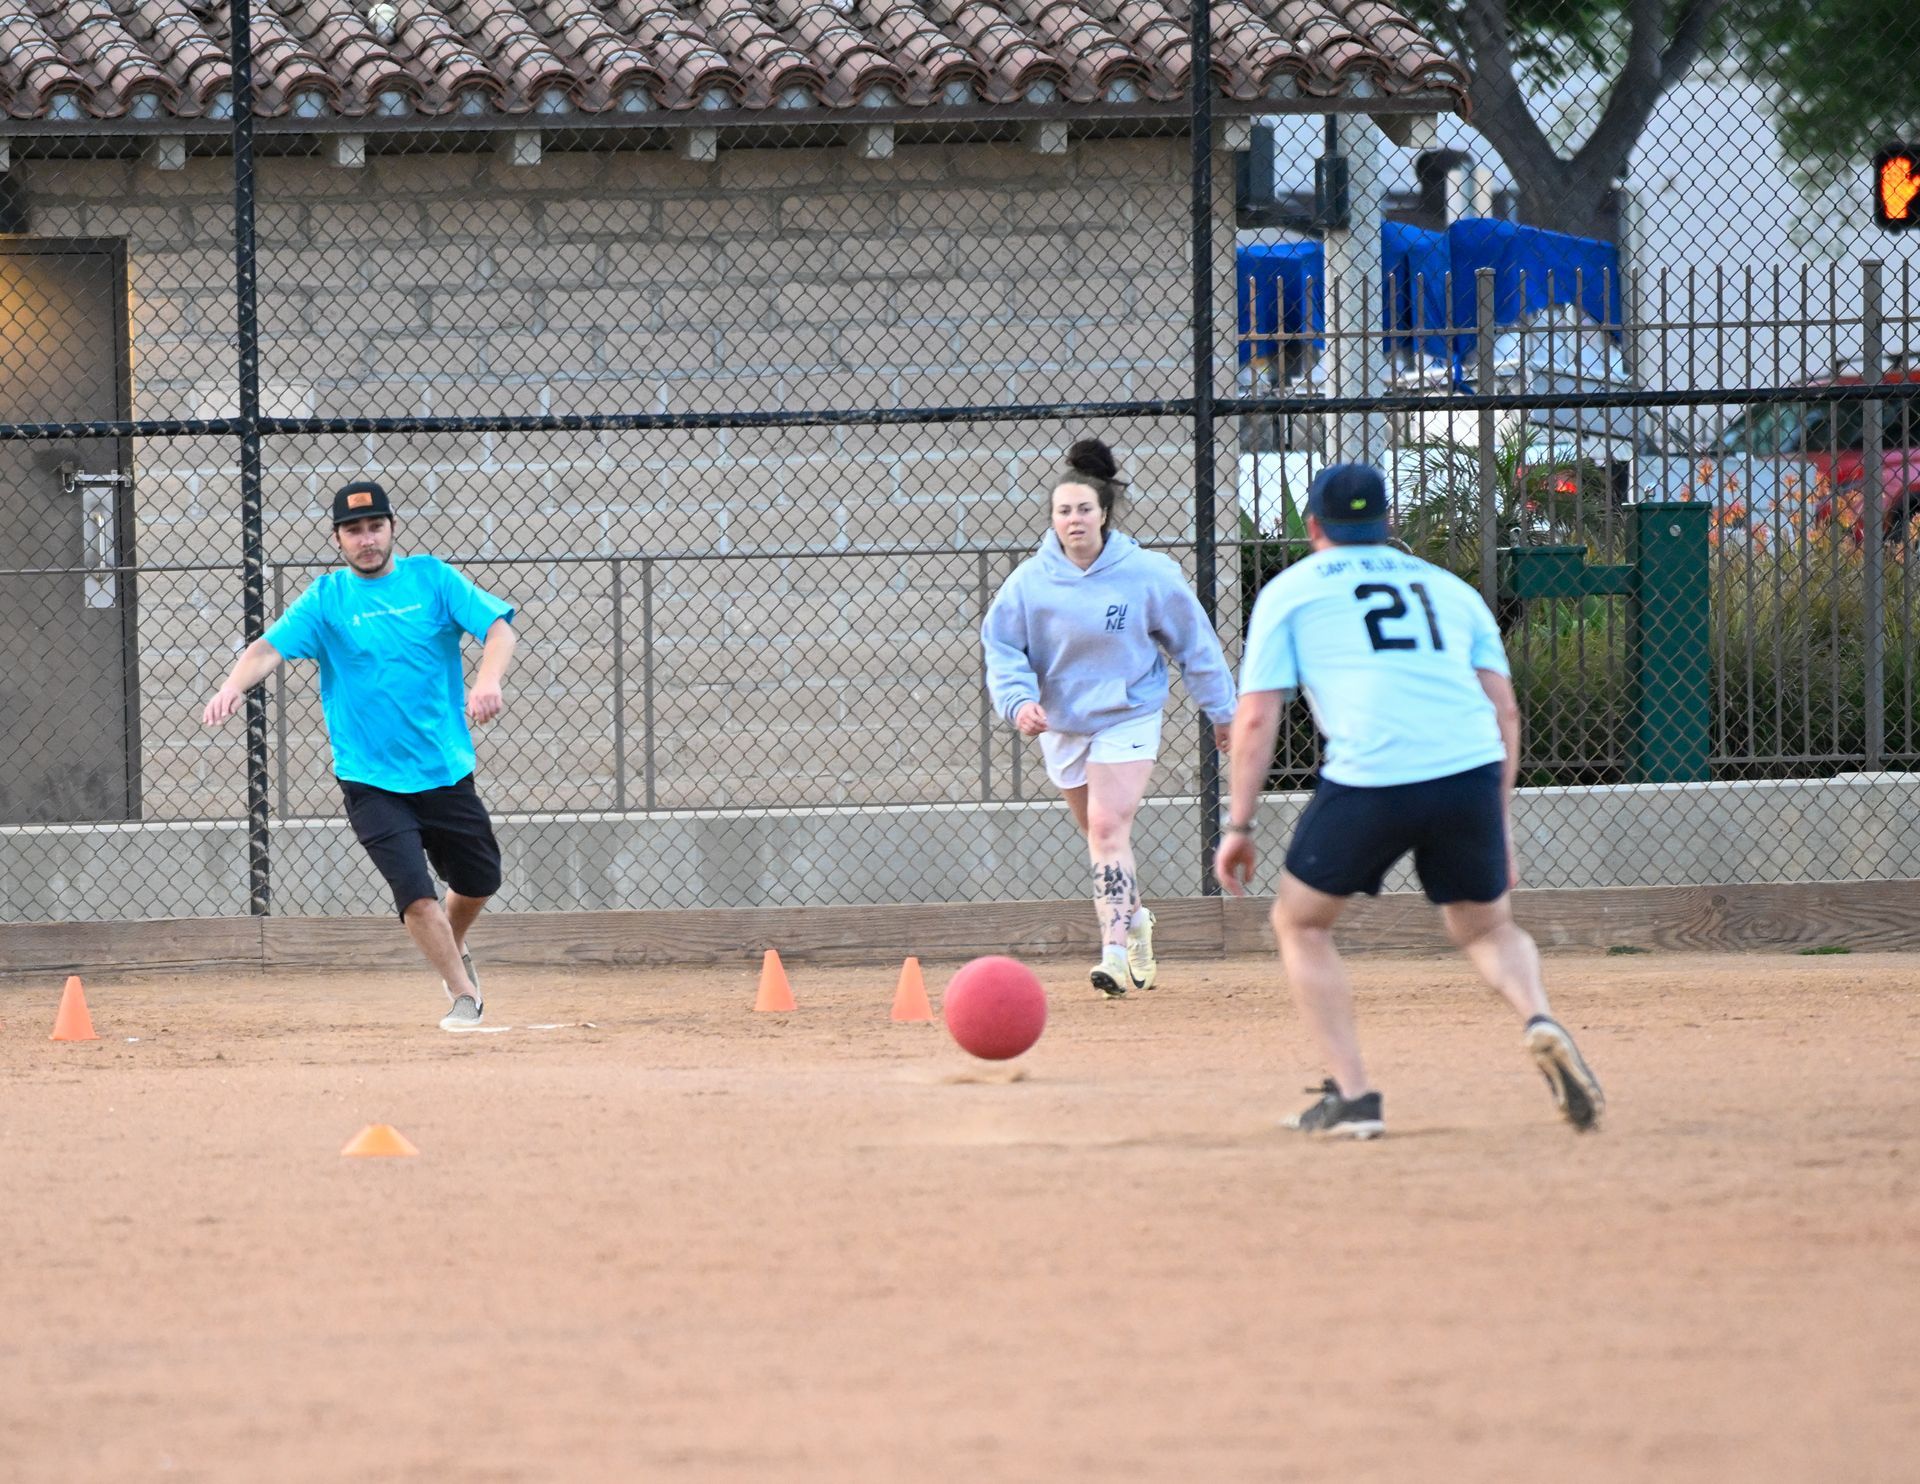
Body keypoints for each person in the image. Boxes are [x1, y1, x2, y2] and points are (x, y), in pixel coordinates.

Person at [1215, 463, 1604, 1138]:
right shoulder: (1450, 590)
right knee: (1486, 926)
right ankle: (1538, 1016)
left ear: (1314, 528)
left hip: (1375, 771)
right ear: (1388, 523)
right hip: (1469, 766)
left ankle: (1356, 1099)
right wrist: (1499, 819)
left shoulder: (1292, 590)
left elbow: (1254, 719)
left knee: (1301, 924)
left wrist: (1239, 823)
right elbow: (1505, 709)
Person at [201, 480, 518, 1032]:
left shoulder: (433, 580)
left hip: (443, 769)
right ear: (338, 539)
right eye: (354, 531)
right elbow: (266, 649)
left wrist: (487, 681)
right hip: (369, 780)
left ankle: (452, 943)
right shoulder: (326, 600)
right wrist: (232, 687)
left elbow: (498, 629)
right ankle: (463, 993)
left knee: (479, 881)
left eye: (374, 527)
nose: (366, 539)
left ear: (391, 528)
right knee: (416, 897)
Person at [983, 439, 1237, 997]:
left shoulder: (1147, 573)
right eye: (1063, 511)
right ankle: (1137, 921)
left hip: (1128, 714)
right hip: (1063, 723)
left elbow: (1195, 645)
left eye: (1084, 510)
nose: (1074, 520)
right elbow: (1002, 648)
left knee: (1105, 828)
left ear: (1104, 513)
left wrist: (1223, 712)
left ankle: (1114, 955)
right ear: (1053, 518)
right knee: (1101, 837)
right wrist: (1019, 702)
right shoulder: (1030, 581)